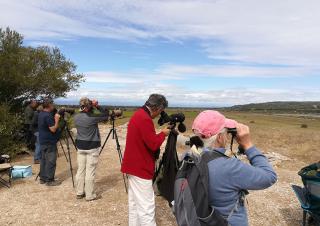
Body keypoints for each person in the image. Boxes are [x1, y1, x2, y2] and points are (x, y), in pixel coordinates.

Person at [191, 110, 277, 226]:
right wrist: (248, 145)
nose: (227, 136)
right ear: (220, 137)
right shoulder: (228, 167)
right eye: (226, 132)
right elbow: (269, 176)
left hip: (200, 220)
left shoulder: (189, 157)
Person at [121, 94, 171, 226]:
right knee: (146, 208)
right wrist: (163, 134)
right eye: (160, 111)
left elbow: (145, 139)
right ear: (157, 108)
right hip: (140, 167)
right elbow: (153, 144)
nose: (159, 115)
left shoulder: (138, 114)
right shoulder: (145, 119)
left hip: (132, 166)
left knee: (134, 205)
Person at [74, 97, 109, 201]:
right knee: (90, 171)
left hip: (80, 145)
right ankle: (89, 195)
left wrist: (91, 107)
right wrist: (97, 106)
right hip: (92, 146)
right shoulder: (92, 117)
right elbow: (105, 114)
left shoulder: (76, 117)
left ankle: (79, 192)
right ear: (89, 106)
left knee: (80, 169)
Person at [38, 99, 61, 186]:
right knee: (51, 160)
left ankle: (42, 178)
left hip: (43, 140)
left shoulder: (41, 114)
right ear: (49, 106)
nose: (53, 106)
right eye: (52, 105)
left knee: (44, 160)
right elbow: (53, 129)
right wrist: (57, 120)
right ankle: (50, 180)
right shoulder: (48, 116)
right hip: (49, 141)